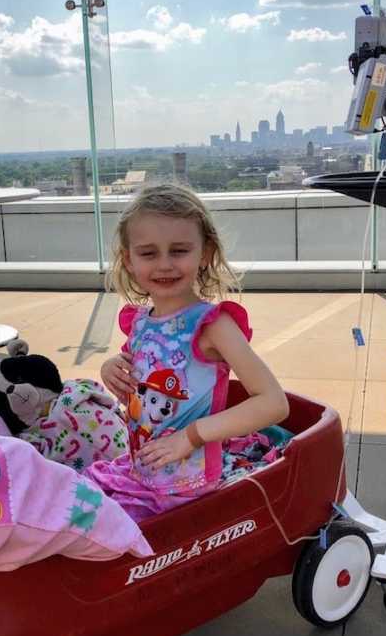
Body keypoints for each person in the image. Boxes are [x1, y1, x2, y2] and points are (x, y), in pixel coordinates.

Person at [89, 183, 289, 521]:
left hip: (184, 487)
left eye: (179, 250)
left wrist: (191, 436)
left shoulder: (212, 325)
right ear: (129, 259)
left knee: (96, 527)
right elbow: (143, 384)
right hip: (141, 474)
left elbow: (273, 403)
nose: (164, 264)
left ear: (205, 253)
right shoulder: (138, 322)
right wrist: (112, 368)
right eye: (149, 253)